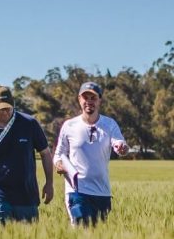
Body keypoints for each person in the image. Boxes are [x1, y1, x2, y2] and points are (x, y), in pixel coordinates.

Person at [0, 86, 54, 225]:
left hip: (26, 195)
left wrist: (49, 183)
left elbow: (45, 153)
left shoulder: (29, 124)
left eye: (8, 107)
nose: (6, 111)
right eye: (1, 108)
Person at [53, 82, 129, 226]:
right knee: (81, 230)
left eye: (93, 98)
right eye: (85, 97)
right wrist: (59, 164)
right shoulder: (69, 126)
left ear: (99, 100)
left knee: (97, 237)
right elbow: (59, 154)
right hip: (77, 191)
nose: (89, 102)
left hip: (102, 193)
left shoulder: (109, 124)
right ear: (79, 100)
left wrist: (122, 148)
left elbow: (119, 143)